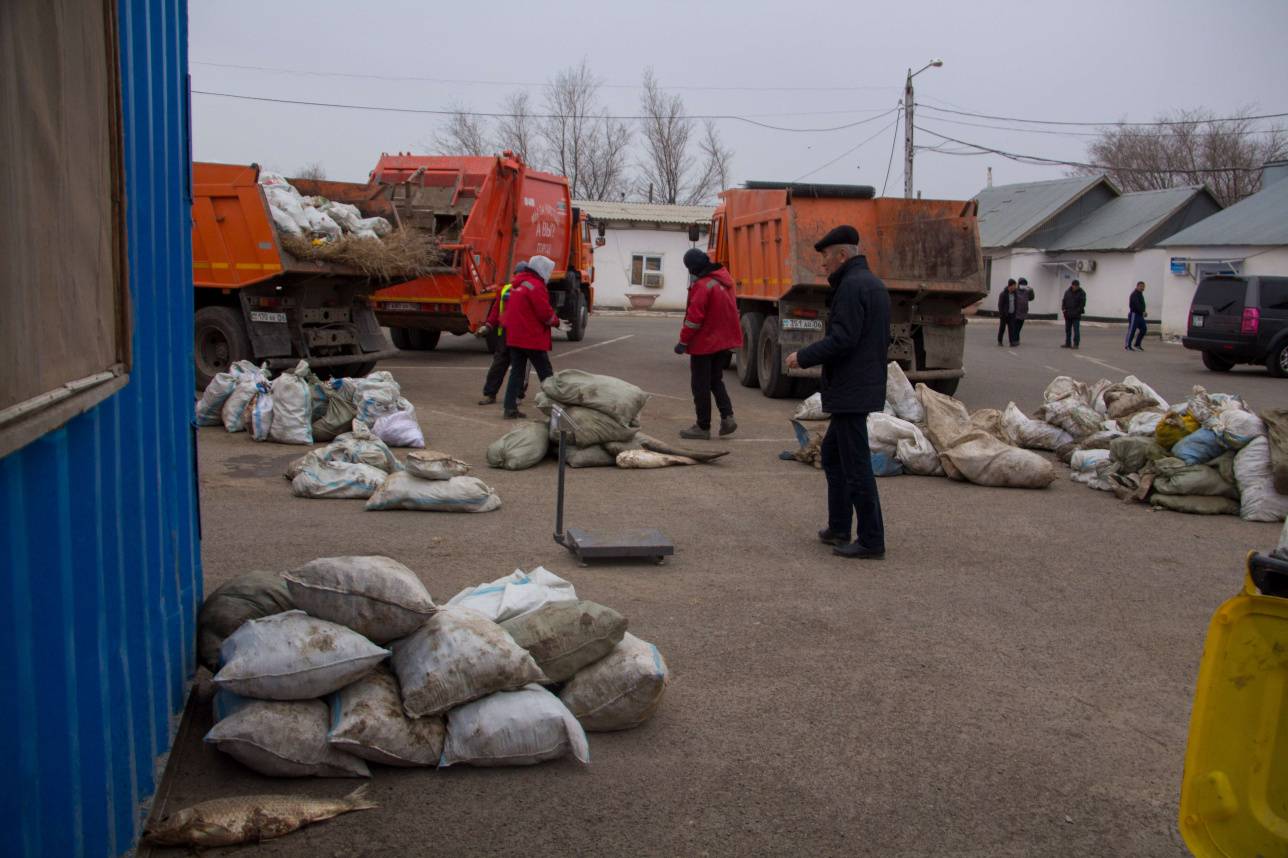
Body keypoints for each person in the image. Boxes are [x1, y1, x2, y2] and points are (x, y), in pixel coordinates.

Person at [785, 225, 890, 560]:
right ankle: (839, 526)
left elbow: (843, 339)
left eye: (826, 258)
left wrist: (803, 356)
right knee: (831, 455)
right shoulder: (871, 284)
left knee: (856, 465)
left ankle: (871, 539)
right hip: (860, 384)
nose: (823, 266)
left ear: (842, 255)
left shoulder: (851, 286)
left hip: (851, 389)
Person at [675, 248, 741, 440]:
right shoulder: (724, 279)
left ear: (693, 267)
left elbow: (694, 319)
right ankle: (728, 417)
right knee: (715, 380)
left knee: (700, 385)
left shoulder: (703, 286)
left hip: (705, 343)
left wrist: (683, 342)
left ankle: (702, 427)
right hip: (723, 342)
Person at [500, 255, 561, 418]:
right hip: (531, 338)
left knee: (516, 373)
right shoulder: (536, 286)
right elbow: (544, 312)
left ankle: (509, 407)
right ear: (542, 270)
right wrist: (556, 322)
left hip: (515, 337)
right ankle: (556, 408)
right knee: (546, 374)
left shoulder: (517, 284)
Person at [476, 280, 525, 405]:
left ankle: (492, 394)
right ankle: (515, 395)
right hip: (515, 333)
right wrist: (488, 325)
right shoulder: (523, 289)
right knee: (517, 366)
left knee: (501, 364)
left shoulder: (506, 289)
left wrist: (488, 326)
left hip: (508, 333)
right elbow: (497, 310)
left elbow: (495, 310)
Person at [1061, 279, 1086, 349]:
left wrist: (1077, 312)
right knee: (1067, 330)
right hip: (1068, 314)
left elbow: (1082, 304)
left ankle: (1076, 344)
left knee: (1076, 330)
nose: (1075, 287)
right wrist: (1063, 309)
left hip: (1076, 316)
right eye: (1074, 286)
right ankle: (1067, 343)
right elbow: (1064, 301)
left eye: (1077, 286)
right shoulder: (1067, 292)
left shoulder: (1082, 293)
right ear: (1072, 285)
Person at [1126, 281, 1148, 351]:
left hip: (1140, 315)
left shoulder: (1140, 294)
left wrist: (1144, 312)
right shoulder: (1134, 294)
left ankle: (1137, 344)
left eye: (1143, 287)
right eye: (1141, 286)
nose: (1142, 288)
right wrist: (1142, 311)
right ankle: (1127, 345)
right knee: (1132, 330)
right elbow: (1136, 305)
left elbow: (1142, 304)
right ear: (1137, 286)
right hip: (1134, 315)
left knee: (1144, 329)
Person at [997, 279, 1016, 346]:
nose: (1015, 287)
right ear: (1010, 286)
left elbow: (1015, 303)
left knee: (1011, 329)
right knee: (1002, 328)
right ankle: (1000, 341)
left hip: (1012, 314)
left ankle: (1012, 342)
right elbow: (1000, 305)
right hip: (1004, 315)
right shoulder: (1003, 294)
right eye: (1014, 285)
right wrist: (1002, 314)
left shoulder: (1014, 294)